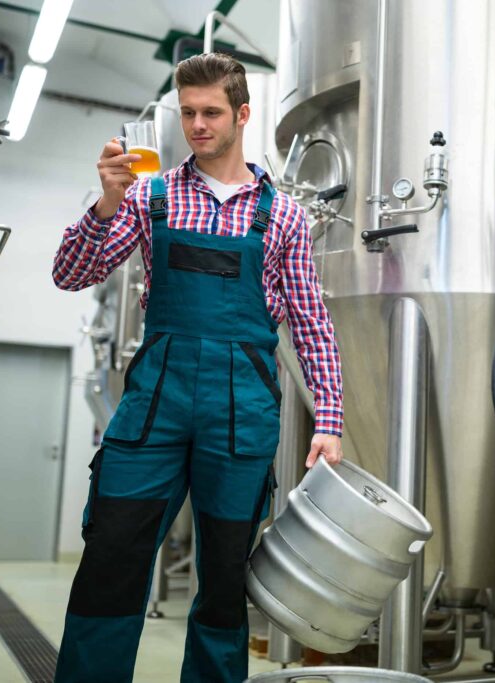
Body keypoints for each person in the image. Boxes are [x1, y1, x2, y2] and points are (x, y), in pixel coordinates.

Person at [50, 52, 344, 683]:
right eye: (187, 113)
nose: (198, 125)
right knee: (111, 558)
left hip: (240, 413)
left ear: (242, 114)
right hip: (154, 403)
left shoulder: (284, 217)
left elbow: (312, 323)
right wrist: (104, 204)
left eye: (211, 112)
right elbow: (71, 274)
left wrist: (330, 418)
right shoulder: (147, 197)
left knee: (222, 580)